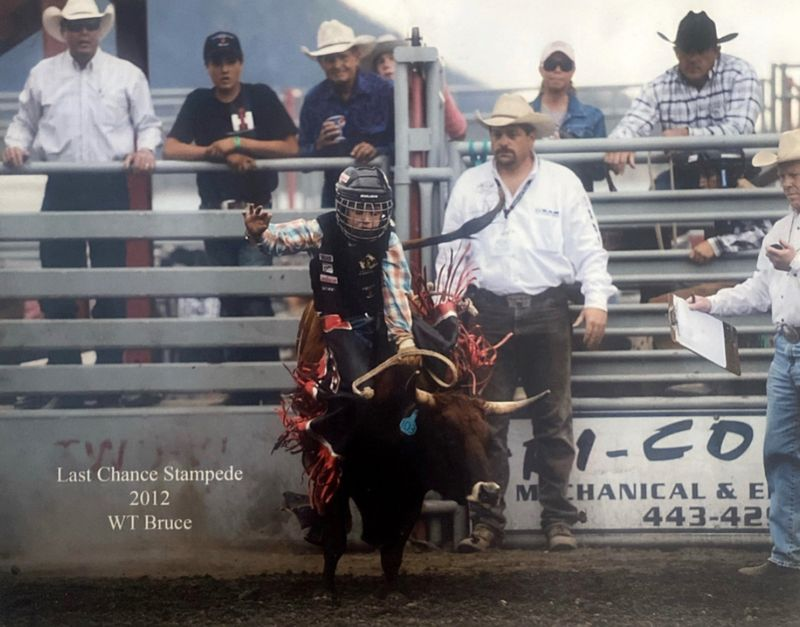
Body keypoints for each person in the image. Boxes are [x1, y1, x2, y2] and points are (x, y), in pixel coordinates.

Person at [435, 94, 616, 552]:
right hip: (487, 313)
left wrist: (596, 300)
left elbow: (588, 249)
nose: (503, 142)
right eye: (496, 134)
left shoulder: (562, 184)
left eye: (512, 133)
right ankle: (488, 523)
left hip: (548, 309)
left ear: (531, 137)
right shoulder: (470, 186)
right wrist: (449, 309)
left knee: (553, 418)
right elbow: (450, 256)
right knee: (487, 424)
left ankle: (558, 520)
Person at [3, 0, 162, 409]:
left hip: (110, 185)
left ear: (100, 29)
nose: (84, 33)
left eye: (90, 25)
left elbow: (148, 126)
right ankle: (67, 381)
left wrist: (145, 151)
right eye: (76, 27)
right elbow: (23, 122)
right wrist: (15, 145)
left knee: (110, 289)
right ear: (65, 31)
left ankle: (109, 383)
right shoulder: (42, 75)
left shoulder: (126, 75)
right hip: (61, 186)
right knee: (57, 287)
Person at [163, 31, 299, 405]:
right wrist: (217, 153)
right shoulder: (198, 102)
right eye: (216, 62)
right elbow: (171, 148)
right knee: (229, 297)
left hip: (254, 210)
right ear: (207, 66)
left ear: (240, 63)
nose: (224, 69)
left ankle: (267, 388)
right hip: (214, 213)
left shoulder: (261, 96)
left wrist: (239, 144)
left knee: (255, 295)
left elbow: (291, 145)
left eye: (230, 61)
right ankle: (240, 389)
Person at [689, 129, 800, 579]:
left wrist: (794, 262)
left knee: (784, 450)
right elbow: (759, 290)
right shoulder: (780, 228)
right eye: (784, 176)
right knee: (779, 450)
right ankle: (787, 553)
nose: (789, 183)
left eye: (795, 173)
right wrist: (711, 304)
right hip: (787, 348)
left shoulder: (784, 236)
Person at [243, 166, 419, 424]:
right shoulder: (323, 228)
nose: (366, 219)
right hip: (338, 321)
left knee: (406, 382)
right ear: (343, 209)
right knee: (357, 387)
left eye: (374, 211)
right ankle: (331, 437)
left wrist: (404, 338)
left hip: (381, 321)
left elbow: (395, 291)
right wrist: (260, 233)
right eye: (359, 211)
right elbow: (283, 239)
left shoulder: (389, 241)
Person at [604, 11, 762, 188]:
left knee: (749, 204)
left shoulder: (740, 73)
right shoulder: (660, 86)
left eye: (700, 51)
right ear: (676, 52)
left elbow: (740, 129)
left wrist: (687, 135)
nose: (693, 58)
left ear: (716, 51)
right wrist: (619, 143)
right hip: (686, 172)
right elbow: (632, 123)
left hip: (736, 170)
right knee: (658, 195)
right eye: (687, 51)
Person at [299, 20, 393, 207]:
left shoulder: (384, 91)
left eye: (343, 57)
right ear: (321, 63)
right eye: (330, 59)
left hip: (381, 196)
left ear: (356, 56)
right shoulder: (313, 100)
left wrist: (377, 151)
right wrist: (319, 145)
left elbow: (402, 145)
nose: (337, 65)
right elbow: (302, 158)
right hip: (335, 199)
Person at [530, 41, 607, 192]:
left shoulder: (594, 116)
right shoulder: (524, 114)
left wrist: (570, 146)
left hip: (575, 199)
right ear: (541, 69)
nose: (557, 70)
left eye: (564, 65)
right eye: (551, 64)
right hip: (535, 197)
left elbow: (600, 172)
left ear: (572, 71)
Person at [362, 33, 467, 141]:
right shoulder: (371, 97)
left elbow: (458, 130)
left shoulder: (426, 85)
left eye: (392, 58)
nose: (386, 65)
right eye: (381, 62)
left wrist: (436, 85)